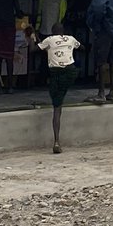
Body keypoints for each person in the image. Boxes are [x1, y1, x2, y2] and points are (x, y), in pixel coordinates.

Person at [29, 23, 80, 154]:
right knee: (61, 93)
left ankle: (56, 141)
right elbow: (81, 47)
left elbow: (33, 50)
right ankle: (57, 141)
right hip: (70, 71)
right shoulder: (71, 38)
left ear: (52, 33)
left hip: (56, 74)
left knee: (57, 107)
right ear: (63, 32)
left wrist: (32, 38)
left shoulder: (48, 40)